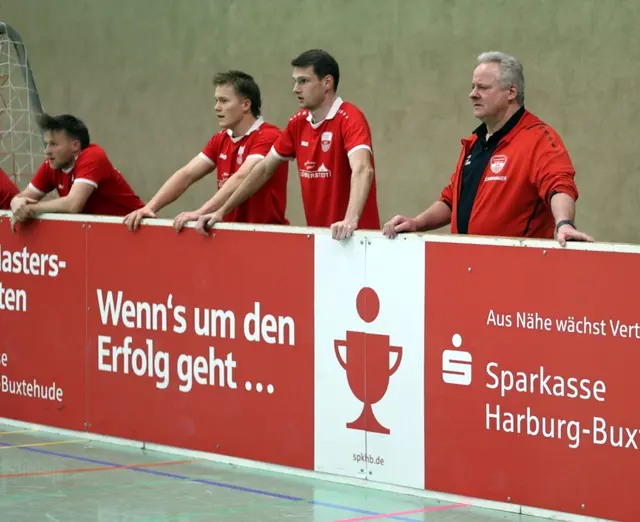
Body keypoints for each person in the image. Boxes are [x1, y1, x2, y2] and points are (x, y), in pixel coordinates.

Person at [383, 51, 593, 247]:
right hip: (466, 263)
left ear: (511, 92)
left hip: (516, 265)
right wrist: (416, 223)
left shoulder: (539, 138)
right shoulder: (474, 142)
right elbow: (452, 200)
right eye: (473, 87)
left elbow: (559, 185)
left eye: (483, 88)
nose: (472, 94)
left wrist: (564, 224)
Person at [195, 49, 380, 240]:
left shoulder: (350, 118)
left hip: (358, 238)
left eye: (303, 81)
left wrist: (349, 220)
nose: (296, 89)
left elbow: (363, 169)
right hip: (323, 239)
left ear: (327, 82)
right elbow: (264, 169)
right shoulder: (298, 122)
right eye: (295, 81)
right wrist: (221, 211)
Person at [123, 70, 289, 232]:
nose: (217, 107)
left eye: (224, 101)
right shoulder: (220, 139)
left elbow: (242, 176)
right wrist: (150, 207)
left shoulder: (268, 135)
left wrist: (200, 212)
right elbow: (187, 174)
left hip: (265, 235)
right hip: (228, 233)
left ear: (246, 104)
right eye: (216, 101)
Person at [9, 113, 144, 229]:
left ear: (75, 145)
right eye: (47, 144)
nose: (47, 151)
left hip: (136, 228)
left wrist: (30, 209)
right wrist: (16, 202)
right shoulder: (51, 165)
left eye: (53, 144)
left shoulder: (93, 156)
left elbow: (73, 205)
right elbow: (24, 197)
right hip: (100, 233)